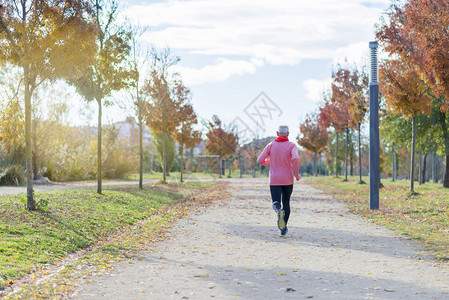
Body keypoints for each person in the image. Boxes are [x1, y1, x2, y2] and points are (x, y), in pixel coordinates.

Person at [257, 125, 300, 236]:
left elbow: (260, 159)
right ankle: (283, 228)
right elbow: (295, 158)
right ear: (288, 134)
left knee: (276, 202)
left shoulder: (271, 146)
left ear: (277, 133)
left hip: (274, 179)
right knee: (286, 202)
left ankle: (278, 212)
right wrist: (296, 173)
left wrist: (267, 161)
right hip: (288, 179)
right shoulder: (292, 146)